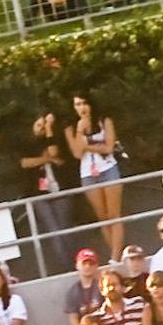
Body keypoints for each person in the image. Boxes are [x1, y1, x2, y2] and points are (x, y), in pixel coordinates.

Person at [65, 93, 124, 256]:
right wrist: (80, 131)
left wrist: (88, 146)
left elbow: (109, 148)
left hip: (108, 168)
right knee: (102, 218)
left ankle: (115, 257)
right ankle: (116, 255)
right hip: (88, 174)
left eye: (85, 103)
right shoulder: (70, 127)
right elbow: (77, 153)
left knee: (114, 215)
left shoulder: (104, 120)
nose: (82, 108)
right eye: (78, 104)